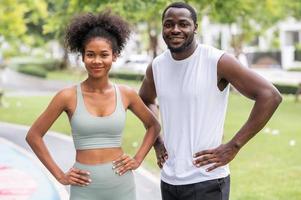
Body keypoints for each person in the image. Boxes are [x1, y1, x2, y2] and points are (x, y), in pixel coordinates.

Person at [139, 2, 282, 200]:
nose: (175, 30)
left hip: (207, 180)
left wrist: (234, 146)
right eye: (169, 24)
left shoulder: (217, 61)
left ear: (195, 28)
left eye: (183, 24)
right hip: (169, 180)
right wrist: (157, 140)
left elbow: (270, 96)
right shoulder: (156, 66)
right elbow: (145, 100)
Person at [26, 10, 160, 200]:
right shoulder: (67, 96)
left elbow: (154, 126)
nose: (97, 61)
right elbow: (34, 136)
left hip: (121, 183)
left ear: (114, 56)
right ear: (82, 57)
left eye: (104, 54)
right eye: (90, 54)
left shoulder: (126, 94)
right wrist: (60, 175)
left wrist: (138, 159)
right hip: (84, 186)